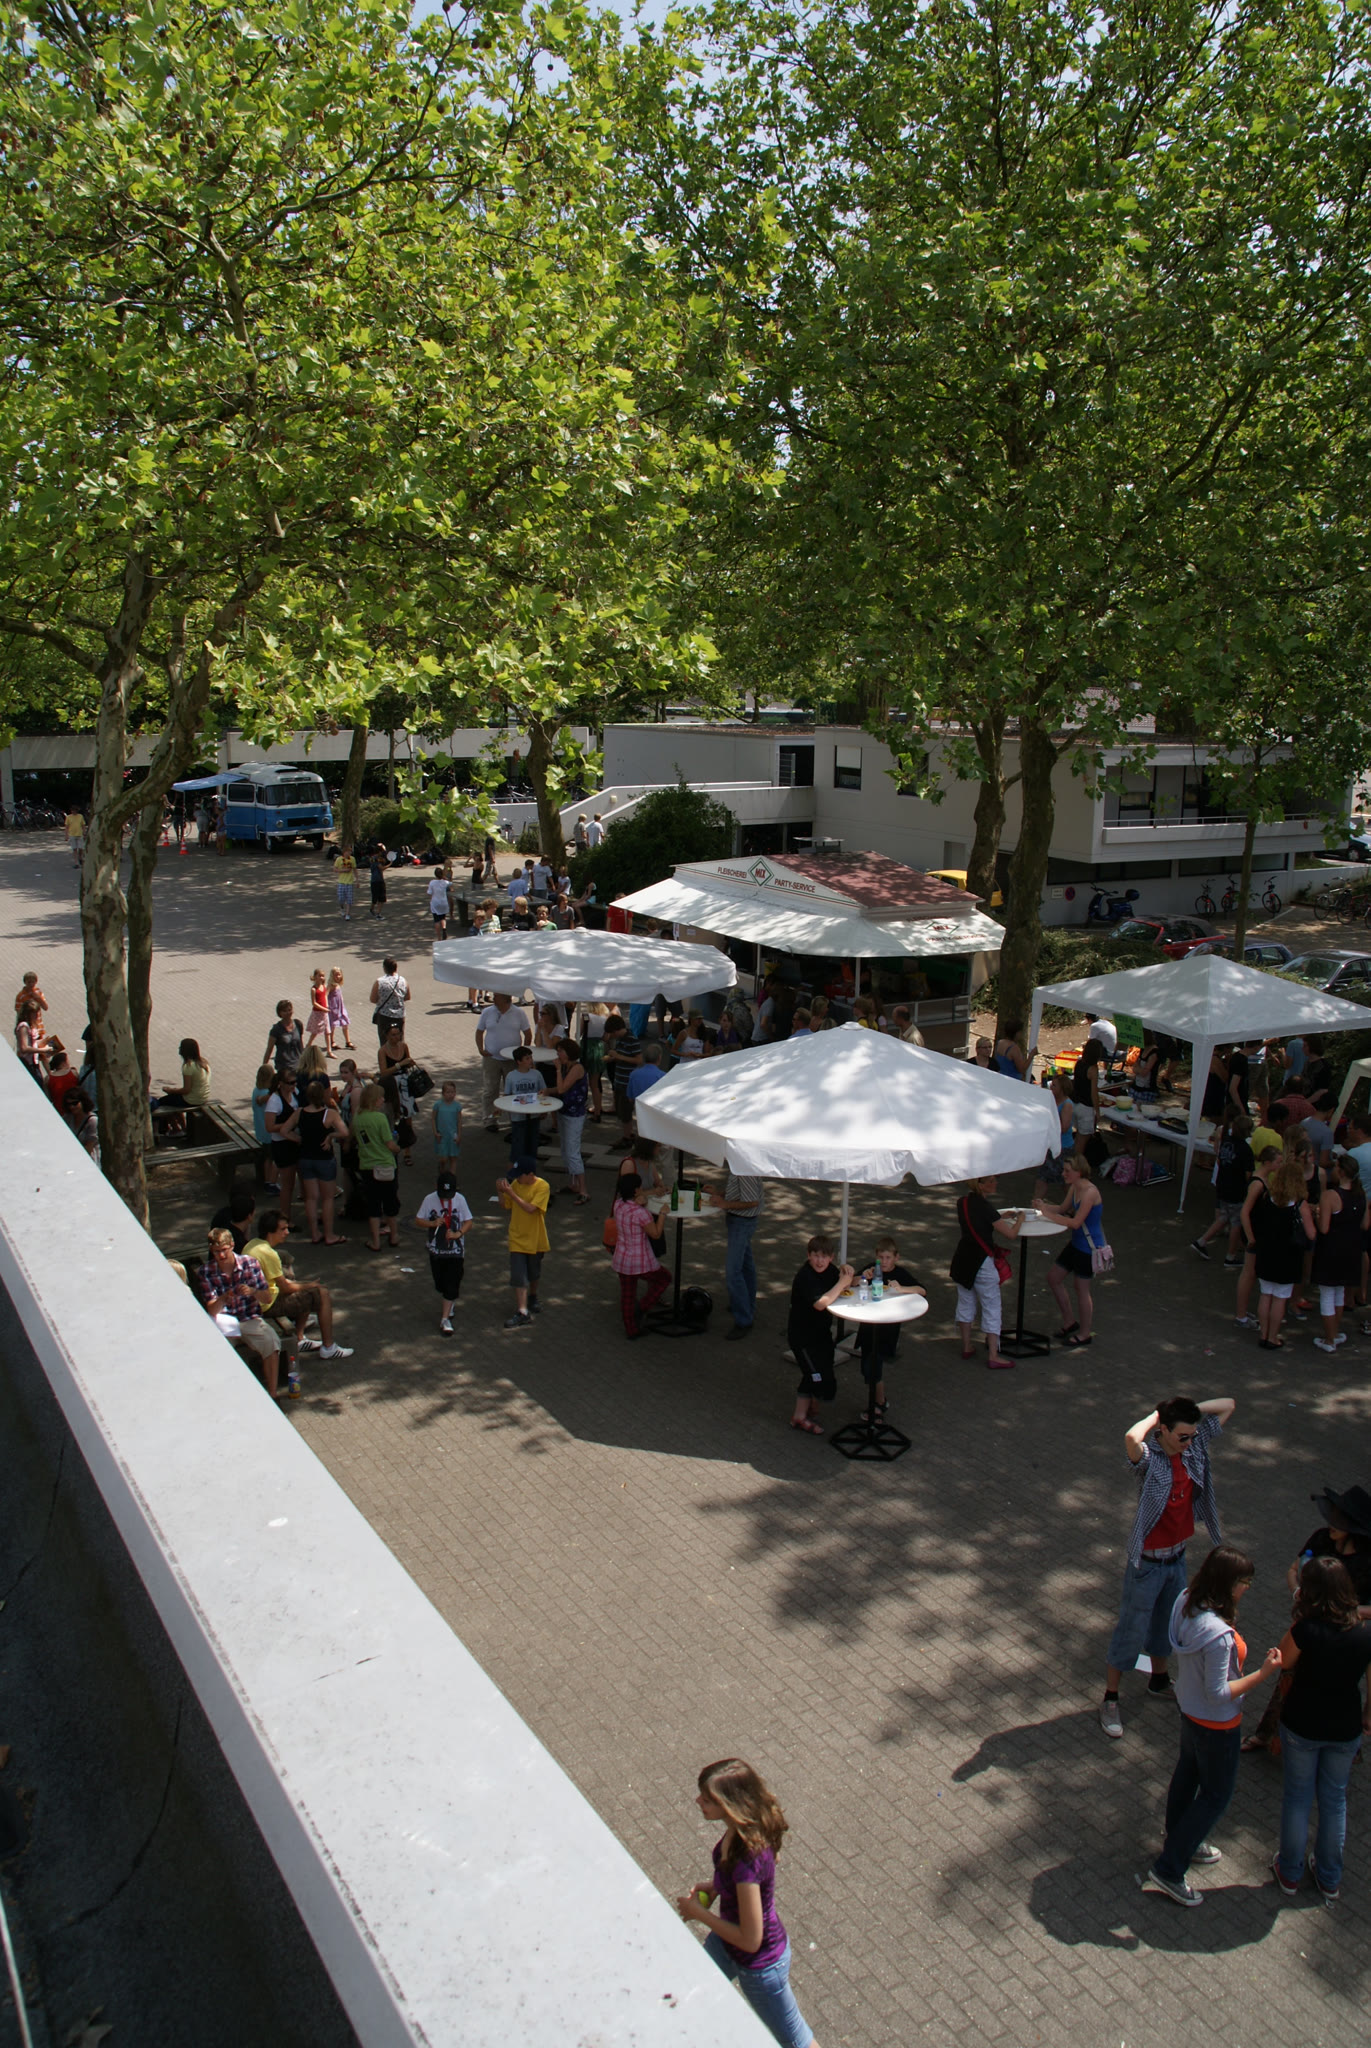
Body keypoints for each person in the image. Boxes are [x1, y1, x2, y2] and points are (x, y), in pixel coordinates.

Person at [1139, 1546, 1280, 1908]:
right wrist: (1262, 1674)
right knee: (1216, 1795)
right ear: (1228, 1583)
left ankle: (1179, 1838)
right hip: (1217, 1725)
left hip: (1189, 1710)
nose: (1247, 1588)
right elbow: (1218, 1693)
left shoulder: (1186, 1600)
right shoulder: (1218, 1636)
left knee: (1187, 1775)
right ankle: (1170, 1869)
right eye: (1244, 1582)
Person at [1099, 1393, 1235, 1740]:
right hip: (1148, 1563)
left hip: (1177, 1558)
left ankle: (1158, 1680)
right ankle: (1111, 1697)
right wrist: (1155, 1416)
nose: (1189, 1442)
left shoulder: (1193, 1446)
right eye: (1182, 1436)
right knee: (1131, 1629)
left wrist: (1190, 1412)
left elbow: (1229, 1404)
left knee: (1167, 1624)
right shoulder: (1149, 1459)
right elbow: (1131, 1438)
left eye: (1192, 1435)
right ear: (1164, 1431)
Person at [675, 1757, 819, 2048]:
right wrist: (716, 1887)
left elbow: (751, 1940)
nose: (698, 1801)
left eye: (707, 1799)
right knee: (690, 1988)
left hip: (759, 1966)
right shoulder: (741, 1830)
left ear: (729, 1805)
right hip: (727, 1946)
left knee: (796, 2040)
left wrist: (698, 1913)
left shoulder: (747, 1862)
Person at [1269, 1557, 1371, 1902]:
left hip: (1302, 1723)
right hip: (1344, 1726)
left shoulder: (1306, 1629)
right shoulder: (1364, 1632)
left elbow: (1283, 1660)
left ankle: (1289, 1871)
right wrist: (1368, 1714)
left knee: (1298, 1798)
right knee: (1334, 1800)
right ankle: (1329, 1877)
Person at [1244, 1485, 1371, 1755]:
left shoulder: (1367, 1561)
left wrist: (1344, 1610)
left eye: (1339, 1520)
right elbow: (1294, 1569)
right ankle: (1268, 1735)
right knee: (1289, 1678)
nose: (1331, 1523)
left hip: (1347, 1634)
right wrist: (1296, 1591)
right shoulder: (1321, 1539)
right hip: (1311, 1628)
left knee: (1338, 1685)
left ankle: (1336, 1745)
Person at [243, 1211, 353, 1359]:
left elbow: (279, 1282)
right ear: (270, 1232)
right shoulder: (268, 1254)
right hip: (266, 1304)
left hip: (255, 1298)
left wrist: (304, 1285)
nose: (287, 1232)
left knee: (305, 1291)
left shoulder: (253, 1244)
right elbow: (285, 1288)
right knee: (322, 1293)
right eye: (282, 1229)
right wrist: (309, 1285)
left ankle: (300, 1338)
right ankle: (329, 1347)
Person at [197, 1228, 284, 1398]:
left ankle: (272, 1395)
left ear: (232, 1245)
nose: (221, 1255)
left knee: (271, 1342)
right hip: (224, 1321)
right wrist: (223, 1298)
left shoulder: (250, 1264)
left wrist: (253, 1291)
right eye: (216, 1252)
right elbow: (212, 1309)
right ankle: (227, 1395)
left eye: (224, 1250)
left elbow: (267, 1298)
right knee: (216, 1351)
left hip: (249, 1317)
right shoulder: (206, 1272)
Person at [948, 1174, 1023, 1368]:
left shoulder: (962, 1202)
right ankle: (993, 1355)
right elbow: (1011, 1234)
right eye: (991, 1181)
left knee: (965, 1302)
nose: (995, 1183)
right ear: (980, 1185)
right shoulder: (986, 1208)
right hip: (982, 1261)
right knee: (991, 1306)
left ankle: (966, 1346)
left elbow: (980, 1217)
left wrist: (999, 1216)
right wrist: (1020, 1219)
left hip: (963, 1259)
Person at [787, 1236, 855, 1434]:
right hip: (802, 1337)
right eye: (816, 1256)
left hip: (821, 1334)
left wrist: (851, 1276)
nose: (819, 1261)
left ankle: (807, 1410)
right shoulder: (805, 1277)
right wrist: (842, 1282)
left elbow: (844, 1284)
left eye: (824, 1257)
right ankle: (803, 1413)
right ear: (808, 1256)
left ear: (831, 1258)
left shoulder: (830, 1271)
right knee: (814, 1375)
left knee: (823, 1370)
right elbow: (820, 1303)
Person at [852, 1236, 925, 1419]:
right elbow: (850, 1282)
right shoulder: (872, 1269)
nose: (884, 1262)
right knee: (867, 1367)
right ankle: (877, 1402)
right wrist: (863, 1277)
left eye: (888, 1258)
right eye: (881, 1258)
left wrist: (902, 1288)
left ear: (896, 1258)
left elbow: (922, 1290)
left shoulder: (900, 1274)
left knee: (873, 1367)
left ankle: (879, 1404)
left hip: (887, 1328)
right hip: (868, 1325)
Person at [1038, 1156, 1107, 1348]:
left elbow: (1075, 1223)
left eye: (1067, 1171)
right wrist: (1042, 1207)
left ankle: (1085, 1333)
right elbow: (1062, 1208)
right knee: (1053, 1278)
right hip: (1076, 1244)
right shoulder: (1074, 1187)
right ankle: (1069, 1322)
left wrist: (1046, 1214)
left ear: (1079, 1172)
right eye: (1064, 1170)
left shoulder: (1090, 1192)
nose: (1063, 1174)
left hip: (1089, 1248)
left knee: (1081, 1289)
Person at [1247, 1155, 1315, 1350]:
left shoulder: (1267, 1198)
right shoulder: (1300, 1204)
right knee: (1280, 1298)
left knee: (1265, 1294)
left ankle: (1263, 1334)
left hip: (1267, 1251)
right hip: (1288, 1256)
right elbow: (1311, 1233)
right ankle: (1273, 1337)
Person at [1311, 1155, 1367, 1354]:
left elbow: (1324, 1228)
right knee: (1339, 1293)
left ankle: (1329, 1338)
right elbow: (1364, 1224)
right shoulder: (1361, 1195)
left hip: (1331, 1249)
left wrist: (1317, 1216)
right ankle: (1334, 1333)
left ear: (1341, 1172)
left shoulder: (1330, 1196)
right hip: (1351, 1249)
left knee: (1327, 1294)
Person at [707, 1170, 765, 1341]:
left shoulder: (744, 1169)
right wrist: (720, 1194)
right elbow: (741, 1192)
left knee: (733, 1272)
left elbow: (752, 1201)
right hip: (739, 1221)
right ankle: (746, 1304)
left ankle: (744, 1319)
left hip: (742, 1222)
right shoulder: (739, 1166)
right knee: (746, 1265)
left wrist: (724, 1203)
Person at [610, 1172, 670, 1337]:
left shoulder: (618, 1205)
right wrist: (662, 1214)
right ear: (636, 1190)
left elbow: (636, 1200)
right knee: (664, 1279)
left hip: (622, 1258)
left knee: (628, 1294)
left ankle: (631, 1328)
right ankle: (642, 1307)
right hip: (640, 1260)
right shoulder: (640, 1213)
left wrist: (643, 1199)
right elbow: (656, 1233)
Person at [413, 1172, 473, 1335]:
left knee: (452, 1282)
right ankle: (449, 1299)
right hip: (437, 1250)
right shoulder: (429, 1199)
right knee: (440, 1283)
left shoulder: (460, 1200)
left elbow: (468, 1221)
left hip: (455, 1251)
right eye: (443, 1195)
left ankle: (445, 1319)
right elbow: (418, 1220)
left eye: (449, 1195)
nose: (446, 1198)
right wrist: (432, 1223)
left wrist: (458, 1233)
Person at [1191, 1115, 1253, 1264]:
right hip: (1236, 1191)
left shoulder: (1226, 1141)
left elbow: (1219, 1160)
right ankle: (1230, 1256)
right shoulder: (1246, 1150)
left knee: (1223, 1217)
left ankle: (1201, 1241)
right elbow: (1248, 1174)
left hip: (1222, 1185)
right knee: (1236, 1223)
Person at [292, 1081, 349, 1244]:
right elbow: (344, 1132)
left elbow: (284, 1130)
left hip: (305, 1158)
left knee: (311, 1198)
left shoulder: (299, 1112)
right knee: (327, 1198)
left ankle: (315, 1233)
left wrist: (298, 1139)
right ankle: (329, 1234)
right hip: (324, 1159)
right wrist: (330, 1136)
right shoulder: (330, 1114)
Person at [496, 1157, 549, 1328]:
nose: (517, 1178)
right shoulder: (516, 1185)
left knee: (533, 1273)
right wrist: (500, 1191)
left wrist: (511, 1193)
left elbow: (531, 1209)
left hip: (535, 1238)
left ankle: (532, 1297)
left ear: (530, 1174)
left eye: (520, 1175)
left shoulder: (542, 1187)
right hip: (517, 1237)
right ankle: (522, 1311)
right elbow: (505, 1205)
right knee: (519, 1275)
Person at [353, 1081, 401, 1250]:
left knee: (373, 1206)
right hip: (385, 1164)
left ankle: (375, 1241)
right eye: (380, 1097)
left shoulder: (358, 1117)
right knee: (390, 1203)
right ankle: (394, 1236)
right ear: (374, 1100)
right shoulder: (380, 1118)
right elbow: (389, 1143)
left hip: (367, 1165)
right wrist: (398, 1148)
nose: (383, 1100)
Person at [476, 990, 532, 1131]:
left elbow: (527, 1033)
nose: (493, 998)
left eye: (496, 996)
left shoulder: (519, 1013)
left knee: (513, 1090)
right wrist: (480, 1049)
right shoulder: (487, 1012)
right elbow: (479, 1031)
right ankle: (490, 1120)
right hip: (491, 1059)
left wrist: (522, 1054)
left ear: (505, 998)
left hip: (511, 1061)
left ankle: (515, 1118)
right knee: (490, 1091)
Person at [552, 1037, 589, 1203]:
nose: (558, 1054)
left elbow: (562, 1088)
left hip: (574, 1114)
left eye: (561, 1051)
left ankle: (583, 1190)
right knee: (566, 1149)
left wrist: (557, 1070)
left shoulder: (576, 1068)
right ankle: (573, 1183)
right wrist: (548, 1091)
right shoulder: (567, 1067)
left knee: (573, 1151)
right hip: (565, 1110)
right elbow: (563, 1086)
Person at [264, 1070, 301, 1226]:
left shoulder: (295, 1093)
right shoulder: (274, 1101)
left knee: (301, 1180)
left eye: (295, 1082)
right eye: (290, 1083)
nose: (294, 1085)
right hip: (282, 1145)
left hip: (295, 1141)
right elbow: (269, 1127)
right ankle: (285, 1219)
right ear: (281, 1084)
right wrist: (290, 1123)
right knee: (288, 1184)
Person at [1032, 1073, 1075, 1206]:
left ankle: (1073, 1207)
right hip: (1049, 1146)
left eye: (1055, 1086)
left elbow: (1064, 1127)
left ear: (1062, 1089)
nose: (1051, 1087)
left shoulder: (1067, 1105)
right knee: (1042, 1178)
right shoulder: (1052, 1101)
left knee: (1065, 1181)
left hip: (1063, 1148)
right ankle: (1034, 1205)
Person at [503, 1044, 547, 1167]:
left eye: (531, 1057)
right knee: (518, 1145)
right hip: (518, 1117)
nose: (530, 1061)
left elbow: (543, 1092)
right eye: (527, 1058)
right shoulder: (511, 1076)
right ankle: (514, 1172)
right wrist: (509, 1113)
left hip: (534, 1115)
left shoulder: (537, 1074)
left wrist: (544, 1109)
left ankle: (530, 1171)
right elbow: (507, 1096)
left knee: (532, 1144)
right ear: (519, 1061)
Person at [369, 957, 410, 1044]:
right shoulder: (403, 980)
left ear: (384, 968)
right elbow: (407, 997)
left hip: (384, 1015)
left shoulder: (380, 982)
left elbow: (373, 999)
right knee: (399, 1041)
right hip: (399, 1015)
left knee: (385, 1042)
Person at [1071, 1037, 1104, 1141]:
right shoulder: (1093, 1069)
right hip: (1086, 1106)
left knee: (1077, 1135)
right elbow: (1093, 1093)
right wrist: (1097, 1111)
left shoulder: (1079, 1063)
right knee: (1082, 1140)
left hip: (1075, 1102)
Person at [626, 1041, 665, 1124]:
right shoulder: (662, 1076)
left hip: (640, 1111)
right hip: (656, 1112)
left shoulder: (634, 1074)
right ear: (659, 1058)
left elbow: (630, 1097)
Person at [264, 999, 303, 1078]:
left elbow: (300, 1044)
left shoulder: (298, 1024)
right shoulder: (276, 1029)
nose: (288, 1013)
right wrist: (264, 1067)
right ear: (280, 1013)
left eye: (289, 1010)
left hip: (299, 1066)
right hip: (284, 1067)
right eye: (284, 1011)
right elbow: (269, 1049)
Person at [433, 1079, 462, 1177]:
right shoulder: (438, 1105)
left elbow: (459, 1121)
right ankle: (441, 1169)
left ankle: (452, 1179)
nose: (451, 1094)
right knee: (443, 1158)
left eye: (453, 1092)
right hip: (442, 1135)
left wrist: (459, 1135)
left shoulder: (457, 1106)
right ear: (443, 1093)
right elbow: (433, 1119)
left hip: (453, 1135)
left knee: (453, 1157)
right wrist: (435, 1132)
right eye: (448, 1092)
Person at [44, 1046, 81, 1119]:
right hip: (76, 1111)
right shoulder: (73, 1073)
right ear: (64, 1063)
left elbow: (48, 1098)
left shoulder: (48, 1079)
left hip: (59, 1113)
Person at [326, 967, 354, 1053]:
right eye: (336, 975)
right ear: (332, 976)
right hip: (333, 1008)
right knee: (333, 1025)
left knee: (345, 1023)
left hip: (340, 1007)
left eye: (339, 974)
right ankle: (331, 1041)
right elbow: (325, 995)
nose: (338, 976)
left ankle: (348, 1041)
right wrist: (326, 1006)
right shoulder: (331, 985)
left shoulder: (338, 985)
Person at [304, 967, 331, 1049]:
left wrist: (327, 1005)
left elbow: (325, 996)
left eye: (323, 976)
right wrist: (324, 1009)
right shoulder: (313, 989)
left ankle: (329, 1050)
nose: (322, 977)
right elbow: (314, 1003)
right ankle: (308, 1045)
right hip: (317, 1013)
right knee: (315, 1031)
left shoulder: (323, 986)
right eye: (320, 976)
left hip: (324, 1013)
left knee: (327, 1031)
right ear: (315, 976)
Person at [426, 865, 451, 938]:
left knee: (436, 920)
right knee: (443, 918)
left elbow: (429, 893)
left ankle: (439, 937)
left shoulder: (432, 882)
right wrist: (445, 878)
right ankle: (444, 928)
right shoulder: (445, 882)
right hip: (443, 903)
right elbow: (450, 883)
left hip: (435, 903)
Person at [334, 844, 357, 921]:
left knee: (349, 899)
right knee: (341, 898)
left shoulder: (352, 859)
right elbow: (335, 869)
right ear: (344, 852)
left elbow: (355, 869)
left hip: (349, 882)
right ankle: (342, 908)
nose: (350, 853)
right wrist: (343, 870)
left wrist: (357, 880)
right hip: (341, 882)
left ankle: (347, 914)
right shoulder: (339, 859)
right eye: (348, 851)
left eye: (350, 851)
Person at [368, 846, 387, 918]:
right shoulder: (376, 859)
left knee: (375, 898)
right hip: (378, 880)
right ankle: (378, 914)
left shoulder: (372, 858)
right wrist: (390, 864)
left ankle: (372, 909)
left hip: (374, 880)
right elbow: (381, 868)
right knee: (381, 898)